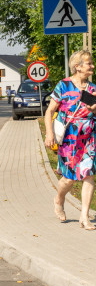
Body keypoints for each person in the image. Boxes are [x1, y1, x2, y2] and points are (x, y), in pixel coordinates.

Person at [43, 50, 96, 230]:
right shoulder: (63, 86)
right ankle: (59, 198)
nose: (92, 66)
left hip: (89, 138)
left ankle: (84, 217)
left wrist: (94, 109)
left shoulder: (93, 89)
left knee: (88, 175)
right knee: (69, 179)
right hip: (69, 139)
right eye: (89, 63)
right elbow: (50, 111)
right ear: (77, 67)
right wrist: (49, 134)